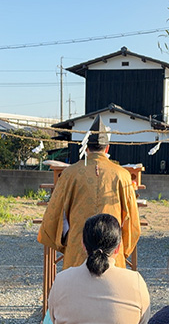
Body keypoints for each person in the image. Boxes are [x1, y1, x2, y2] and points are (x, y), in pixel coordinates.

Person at [37, 114, 141, 270]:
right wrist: (122, 249)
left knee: (75, 287)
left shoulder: (69, 174)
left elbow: (55, 214)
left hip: (78, 248)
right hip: (111, 250)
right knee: (111, 287)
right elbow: (131, 220)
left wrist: (64, 243)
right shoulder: (122, 175)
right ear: (107, 148)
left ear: (86, 148)